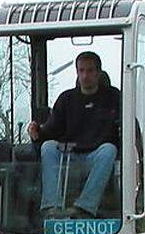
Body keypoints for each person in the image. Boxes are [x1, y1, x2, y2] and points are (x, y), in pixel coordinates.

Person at [27, 50, 121, 219]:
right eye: (82, 70)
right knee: (48, 147)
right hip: (70, 157)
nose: (85, 76)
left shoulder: (114, 97)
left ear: (98, 73)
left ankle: (85, 207)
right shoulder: (66, 99)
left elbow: (128, 127)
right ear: (77, 72)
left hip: (97, 157)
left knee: (109, 149)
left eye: (90, 71)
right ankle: (51, 206)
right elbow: (51, 130)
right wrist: (37, 132)